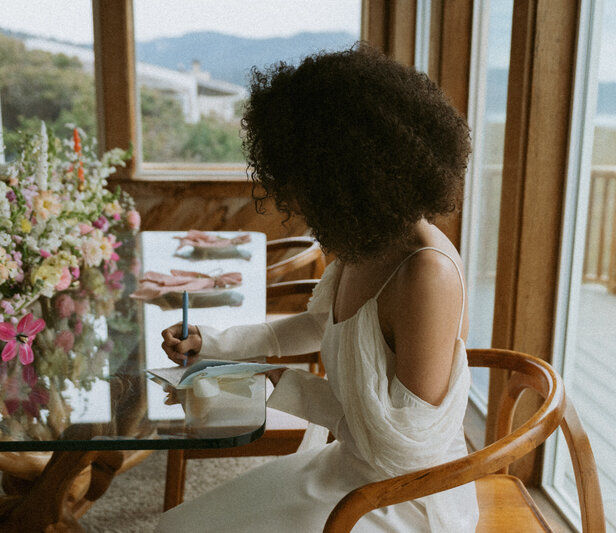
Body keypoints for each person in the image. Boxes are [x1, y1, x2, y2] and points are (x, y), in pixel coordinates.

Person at [156, 42, 478, 532]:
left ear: (347, 177)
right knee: (175, 528)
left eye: (304, 183)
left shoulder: (425, 275)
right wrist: (214, 345)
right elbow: (321, 325)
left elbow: (402, 448)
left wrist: (275, 383)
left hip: (403, 498)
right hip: (350, 469)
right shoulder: (365, 239)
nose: (295, 200)